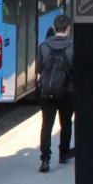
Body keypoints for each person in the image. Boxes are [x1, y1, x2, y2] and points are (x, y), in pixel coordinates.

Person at [36, 14, 75, 173]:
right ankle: (64, 154)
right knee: (66, 123)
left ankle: (45, 159)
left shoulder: (44, 46)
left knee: (46, 125)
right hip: (67, 92)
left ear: (53, 27)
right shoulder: (72, 47)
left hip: (47, 92)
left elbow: (39, 69)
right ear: (68, 28)